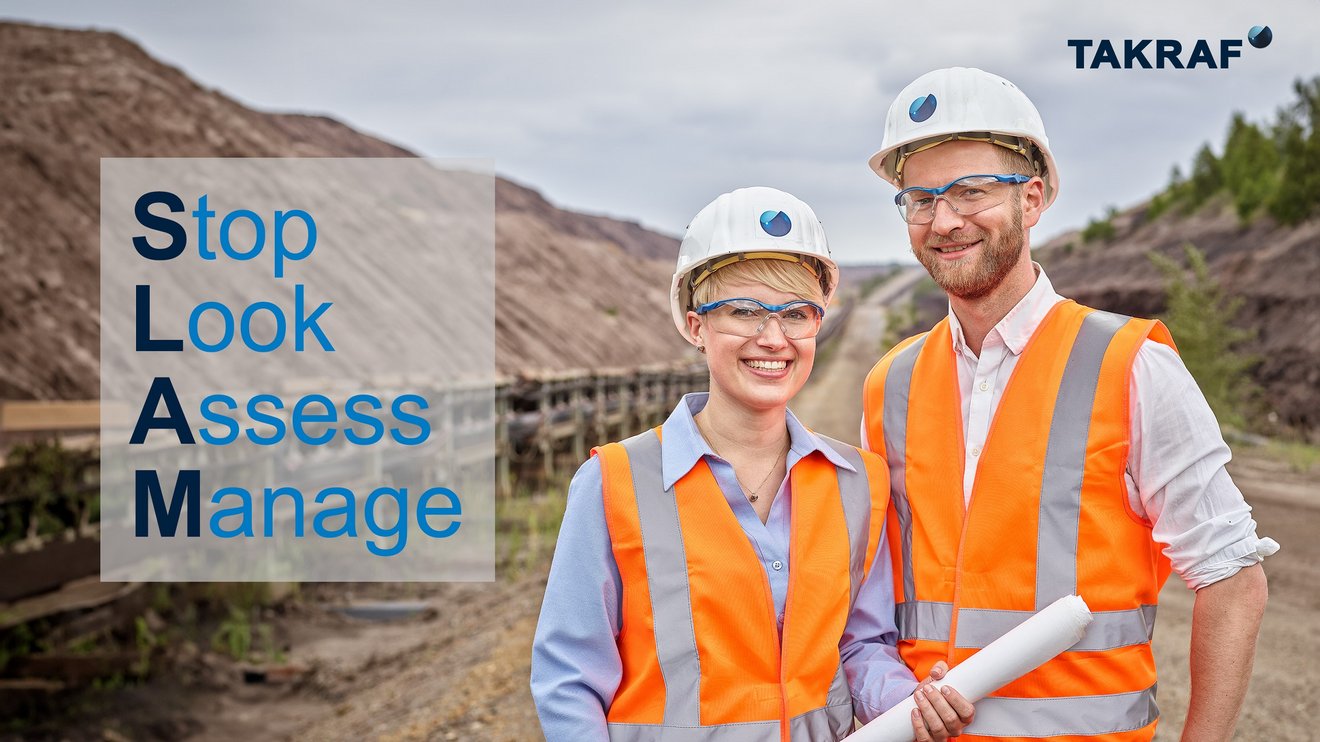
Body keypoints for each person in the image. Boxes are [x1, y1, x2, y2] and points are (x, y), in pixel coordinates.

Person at [861, 67, 1278, 741]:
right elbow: (875, 609)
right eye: (921, 199)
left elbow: (1232, 579)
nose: (944, 220)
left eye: (970, 191)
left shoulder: (1129, 363)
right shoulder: (891, 383)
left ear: (1032, 199)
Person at [531, 186, 975, 741]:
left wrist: (909, 702)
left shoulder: (858, 484)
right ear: (696, 327)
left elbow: (860, 646)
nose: (773, 338)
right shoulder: (614, 484)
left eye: (796, 313)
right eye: (743, 311)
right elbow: (569, 682)